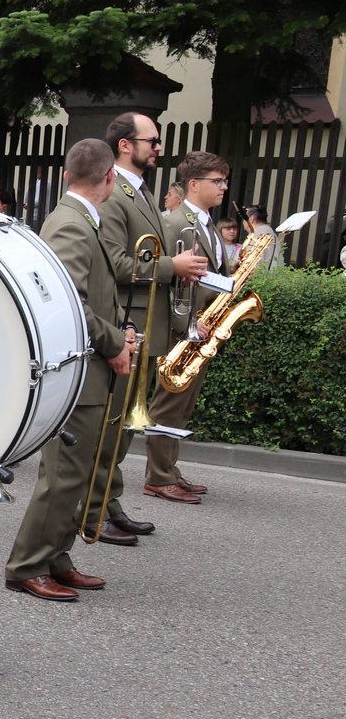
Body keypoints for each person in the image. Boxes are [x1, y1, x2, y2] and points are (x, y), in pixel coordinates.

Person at [5, 140, 131, 602]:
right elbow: (69, 303)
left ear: (65, 175)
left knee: (74, 475)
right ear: (110, 177)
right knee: (63, 476)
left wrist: (120, 329)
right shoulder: (73, 224)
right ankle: (27, 565)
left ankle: (56, 558)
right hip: (81, 368)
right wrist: (114, 342)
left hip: (88, 366)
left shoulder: (78, 218)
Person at [93, 112, 208, 545]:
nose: (158, 148)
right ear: (125, 145)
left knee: (123, 428)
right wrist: (171, 266)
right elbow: (116, 264)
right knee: (111, 426)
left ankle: (110, 502)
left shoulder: (137, 190)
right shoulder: (114, 193)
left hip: (146, 324)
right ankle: (94, 510)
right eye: (152, 141)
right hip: (128, 324)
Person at [148, 152, 231, 504]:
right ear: (194, 184)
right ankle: (157, 477)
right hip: (182, 326)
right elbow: (163, 279)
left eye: (225, 181)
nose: (224, 187)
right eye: (217, 181)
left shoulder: (208, 223)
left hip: (203, 325)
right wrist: (189, 321)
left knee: (184, 403)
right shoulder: (174, 223)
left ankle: (170, 470)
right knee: (169, 402)